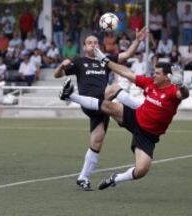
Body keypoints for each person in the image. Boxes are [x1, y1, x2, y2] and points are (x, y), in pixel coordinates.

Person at [59, 47, 189, 190]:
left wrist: (181, 85)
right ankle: (70, 96)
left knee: (141, 170)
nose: (154, 75)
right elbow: (126, 72)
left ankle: (116, 178)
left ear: (167, 77)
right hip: (135, 117)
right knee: (109, 105)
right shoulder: (150, 82)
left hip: (148, 136)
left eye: (157, 73)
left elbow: (184, 95)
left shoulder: (172, 91)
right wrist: (105, 60)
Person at [53, 28, 147, 191]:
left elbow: (126, 55)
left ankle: (83, 177)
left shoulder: (105, 60)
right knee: (114, 87)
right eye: (89, 43)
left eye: (95, 42)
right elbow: (57, 75)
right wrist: (61, 66)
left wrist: (137, 40)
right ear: (84, 47)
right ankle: (141, 106)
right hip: (90, 99)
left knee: (97, 140)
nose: (93, 45)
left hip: (102, 104)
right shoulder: (79, 61)